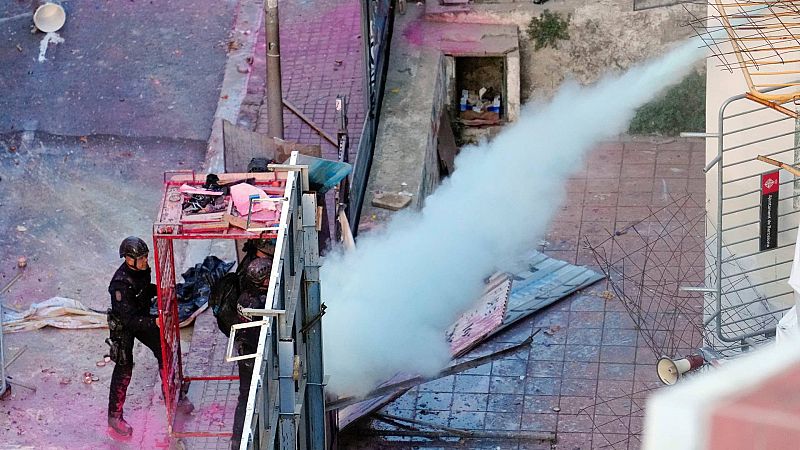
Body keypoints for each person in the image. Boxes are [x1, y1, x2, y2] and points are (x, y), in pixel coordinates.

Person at [106, 236, 193, 437]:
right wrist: (153, 322)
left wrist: (159, 292)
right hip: (125, 327)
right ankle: (115, 416)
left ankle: (172, 396)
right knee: (123, 369)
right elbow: (128, 319)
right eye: (141, 258)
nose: (146, 261)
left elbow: (144, 291)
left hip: (143, 318)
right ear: (128, 259)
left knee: (165, 351)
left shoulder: (142, 270)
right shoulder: (120, 284)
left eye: (146, 257)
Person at [230, 257, 272, 449]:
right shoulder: (261, 304)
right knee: (258, 397)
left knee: (244, 397)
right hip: (255, 355)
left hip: (244, 353)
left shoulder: (244, 298)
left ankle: (236, 440)